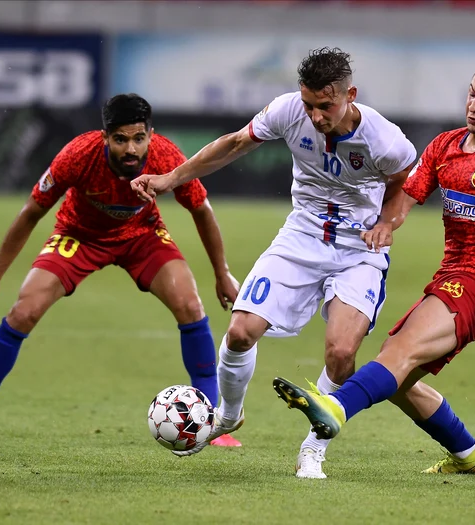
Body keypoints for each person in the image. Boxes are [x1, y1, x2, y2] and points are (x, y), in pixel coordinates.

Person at [132, 48, 417, 475]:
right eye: (309, 104)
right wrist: (171, 178)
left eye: (326, 105)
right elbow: (234, 144)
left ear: (349, 95)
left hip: (359, 250)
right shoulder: (287, 111)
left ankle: (313, 448)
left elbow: (406, 184)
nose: (316, 116)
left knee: (341, 353)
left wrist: (388, 222)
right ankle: (227, 416)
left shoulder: (385, 139)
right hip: (300, 236)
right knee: (241, 330)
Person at [273, 52, 475, 474]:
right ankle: (470, 455)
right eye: (471, 94)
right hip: (450, 275)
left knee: (398, 354)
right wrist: (388, 224)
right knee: (399, 377)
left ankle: (333, 408)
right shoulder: (446, 145)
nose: (474, 105)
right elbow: (409, 192)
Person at [0, 93, 242, 448]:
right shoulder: (77, 155)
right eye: (121, 139)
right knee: (25, 310)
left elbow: (202, 210)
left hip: (141, 236)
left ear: (151, 135)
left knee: (190, 306)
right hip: (78, 235)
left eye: (139, 138)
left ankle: (210, 422)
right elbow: (31, 212)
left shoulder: (166, 156)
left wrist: (222, 273)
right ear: (104, 136)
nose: (131, 149)